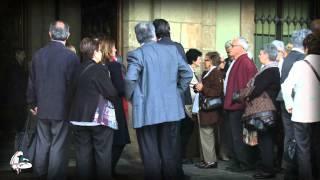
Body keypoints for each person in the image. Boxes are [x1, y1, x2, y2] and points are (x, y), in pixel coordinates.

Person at [125, 22, 192, 180]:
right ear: (154, 34)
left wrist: (134, 97)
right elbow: (187, 74)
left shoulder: (137, 54)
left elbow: (129, 80)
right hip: (171, 110)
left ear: (138, 37)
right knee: (169, 153)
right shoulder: (172, 50)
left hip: (147, 111)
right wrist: (177, 92)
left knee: (150, 154)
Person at [26, 20, 80, 180]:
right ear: (68, 35)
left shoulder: (38, 55)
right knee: (58, 146)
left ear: (49, 34)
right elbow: (74, 86)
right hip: (62, 109)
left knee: (42, 143)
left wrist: (32, 103)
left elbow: (32, 82)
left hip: (42, 108)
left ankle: (40, 174)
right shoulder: (71, 57)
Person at [68, 37, 117, 180]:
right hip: (97, 119)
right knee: (102, 156)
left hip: (78, 119)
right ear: (95, 52)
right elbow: (111, 93)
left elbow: (70, 92)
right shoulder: (99, 69)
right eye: (100, 51)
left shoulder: (76, 69)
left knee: (82, 157)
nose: (101, 53)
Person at [153, 18, 193, 177]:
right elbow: (185, 73)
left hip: (157, 101)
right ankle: (175, 172)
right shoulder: (177, 47)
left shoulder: (153, 48)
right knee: (173, 139)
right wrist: (178, 92)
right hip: (174, 102)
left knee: (158, 138)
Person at [282, 33, 320, 180]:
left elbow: (286, 87)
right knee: (317, 147)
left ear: (306, 48)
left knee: (303, 149)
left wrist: (289, 105)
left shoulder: (299, 65)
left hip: (302, 114)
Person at [278, 28, 311, 180]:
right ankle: (294, 169)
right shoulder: (301, 59)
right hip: (296, 105)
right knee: (298, 139)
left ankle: (288, 168)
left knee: (290, 137)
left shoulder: (289, 57)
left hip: (286, 103)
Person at [223, 37, 258, 172]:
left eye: (233, 45)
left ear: (241, 48)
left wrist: (241, 103)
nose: (230, 47)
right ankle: (237, 162)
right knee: (234, 136)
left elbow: (247, 86)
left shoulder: (245, 62)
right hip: (233, 105)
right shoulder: (238, 61)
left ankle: (244, 164)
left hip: (238, 106)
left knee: (239, 137)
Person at [247, 44, 280, 179]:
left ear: (267, 54)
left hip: (265, 110)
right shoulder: (269, 69)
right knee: (265, 139)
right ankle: (267, 166)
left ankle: (268, 169)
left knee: (266, 140)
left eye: (261, 53)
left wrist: (248, 92)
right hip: (266, 109)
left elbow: (257, 89)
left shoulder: (270, 70)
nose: (259, 56)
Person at [99, 37, 130, 176]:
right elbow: (120, 88)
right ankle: (108, 170)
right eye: (113, 48)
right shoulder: (114, 65)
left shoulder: (99, 65)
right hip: (115, 106)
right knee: (119, 140)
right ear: (108, 50)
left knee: (106, 141)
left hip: (101, 106)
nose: (116, 50)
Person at [194, 52, 223, 169]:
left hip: (209, 110)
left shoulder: (216, 73)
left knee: (207, 135)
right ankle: (206, 160)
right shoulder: (208, 72)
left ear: (211, 61)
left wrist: (203, 88)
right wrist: (197, 87)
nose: (204, 62)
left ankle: (210, 161)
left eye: (206, 60)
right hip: (204, 109)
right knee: (204, 135)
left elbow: (217, 92)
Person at [7, 48, 29, 151]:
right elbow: (19, 84)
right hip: (17, 101)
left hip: (19, 100)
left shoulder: (18, 67)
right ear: (17, 55)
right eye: (22, 55)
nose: (24, 57)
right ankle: (18, 150)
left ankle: (19, 149)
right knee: (19, 127)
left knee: (20, 126)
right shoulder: (14, 68)